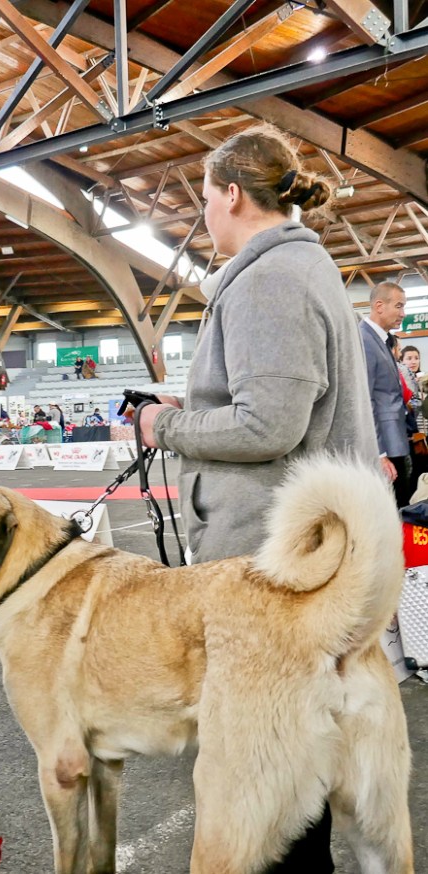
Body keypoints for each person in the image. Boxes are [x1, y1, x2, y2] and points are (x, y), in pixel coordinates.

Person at [138, 125, 378, 872]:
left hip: (269, 562)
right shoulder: (297, 270)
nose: (203, 215)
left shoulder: (269, 279)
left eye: (206, 199)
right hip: (293, 555)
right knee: (288, 781)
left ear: (233, 194)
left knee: (268, 787)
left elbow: (268, 424)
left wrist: (164, 424)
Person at [359, 281, 410, 507]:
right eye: (398, 306)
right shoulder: (365, 340)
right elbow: (365, 399)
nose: (403, 313)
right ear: (379, 306)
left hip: (394, 440)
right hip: (383, 447)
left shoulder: (379, 339)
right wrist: (378, 453)